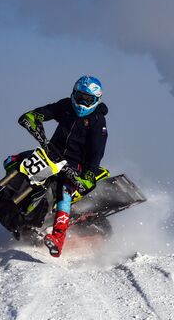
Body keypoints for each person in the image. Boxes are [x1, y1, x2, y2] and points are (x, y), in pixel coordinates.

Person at [18, 75, 108, 257]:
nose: (82, 102)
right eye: (80, 96)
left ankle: (58, 238)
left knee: (64, 193)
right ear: (74, 93)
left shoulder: (98, 121)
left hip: (73, 165)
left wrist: (89, 175)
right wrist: (32, 117)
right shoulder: (66, 105)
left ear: (96, 100)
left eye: (88, 99)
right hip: (50, 153)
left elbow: (97, 152)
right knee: (16, 161)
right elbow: (44, 112)